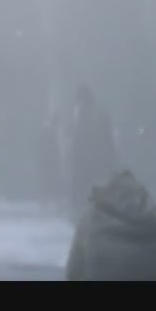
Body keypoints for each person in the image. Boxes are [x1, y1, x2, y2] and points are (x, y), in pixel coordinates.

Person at [67, 84, 119, 217]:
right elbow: (107, 139)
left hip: (88, 159)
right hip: (96, 159)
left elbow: (79, 140)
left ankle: (87, 213)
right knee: (93, 187)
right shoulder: (97, 113)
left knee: (86, 188)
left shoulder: (84, 114)